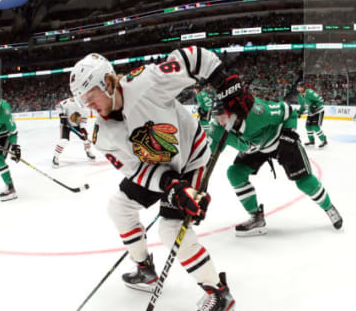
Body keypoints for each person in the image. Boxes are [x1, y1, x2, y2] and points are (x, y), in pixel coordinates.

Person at [69, 48, 235, 311]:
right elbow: (137, 171)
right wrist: (170, 185)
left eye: (91, 97)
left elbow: (194, 59)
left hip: (189, 158)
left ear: (109, 82)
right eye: (82, 100)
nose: (89, 106)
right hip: (157, 168)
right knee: (119, 207)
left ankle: (218, 292)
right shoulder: (102, 135)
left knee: (170, 229)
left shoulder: (146, 82)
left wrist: (228, 85)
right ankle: (145, 270)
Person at [210, 88, 343, 237]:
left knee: (303, 181)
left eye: (222, 117)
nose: (219, 121)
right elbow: (205, 159)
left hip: (280, 139)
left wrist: (289, 133)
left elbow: (289, 110)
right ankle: (256, 217)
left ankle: (329, 207)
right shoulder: (217, 128)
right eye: (216, 117)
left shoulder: (257, 112)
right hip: (257, 147)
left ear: (234, 113)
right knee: (235, 173)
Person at [52, 97, 96, 167]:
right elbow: (58, 106)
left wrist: (82, 129)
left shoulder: (86, 109)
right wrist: (62, 116)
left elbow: (83, 121)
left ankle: (88, 151)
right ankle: (55, 157)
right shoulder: (71, 101)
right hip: (65, 124)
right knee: (64, 141)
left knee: (85, 138)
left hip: (77, 125)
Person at [296, 81, 327, 147]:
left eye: (301, 87)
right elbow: (303, 106)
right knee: (308, 126)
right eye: (298, 88)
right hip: (311, 112)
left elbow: (321, 100)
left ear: (304, 87)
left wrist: (316, 106)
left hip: (318, 111)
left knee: (315, 126)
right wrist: (300, 112)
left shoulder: (310, 92)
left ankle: (323, 140)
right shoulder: (299, 96)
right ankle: (311, 141)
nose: (299, 89)